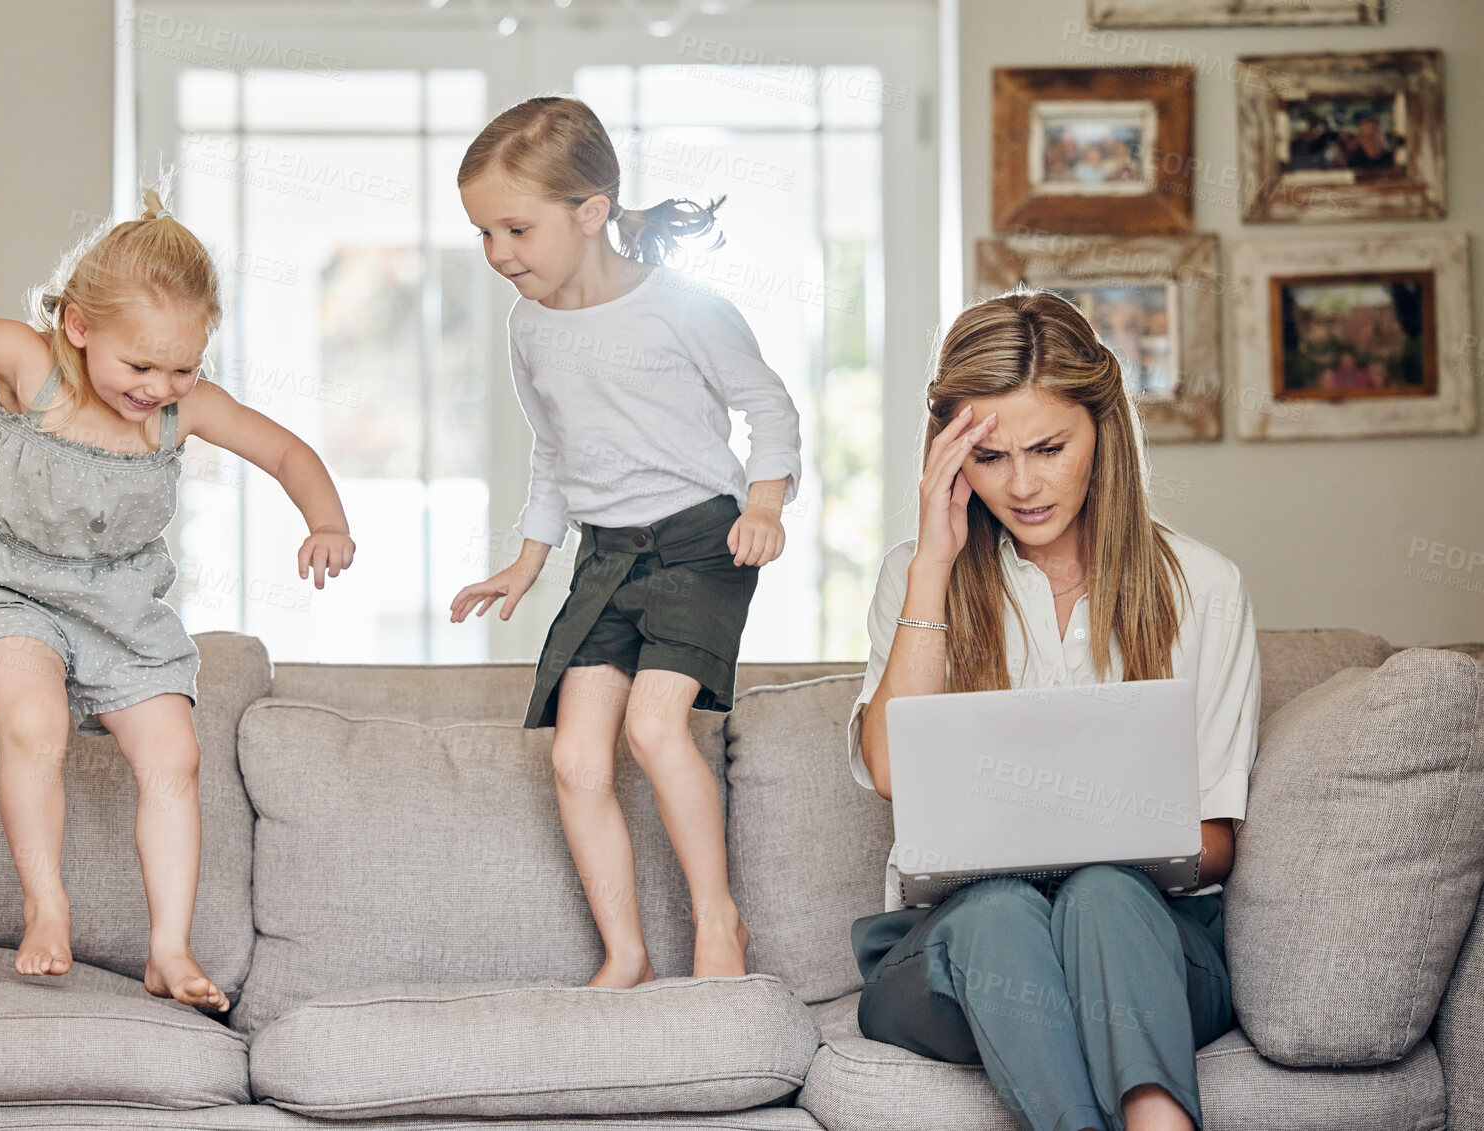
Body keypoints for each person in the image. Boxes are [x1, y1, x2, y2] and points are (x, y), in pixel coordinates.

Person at [0, 190, 355, 1010]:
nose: (159, 386)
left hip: (120, 609)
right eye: (140, 366)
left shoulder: (184, 410)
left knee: (175, 754)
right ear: (77, 327)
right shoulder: (30, 367)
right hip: (10, 588)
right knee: (37, 724)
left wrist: (327, 519)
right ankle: (45, 905)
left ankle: (168, 947)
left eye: (183, 367)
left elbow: (285, 450)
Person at [846, 289, 1260, 1131]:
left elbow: (1216, 840)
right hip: (961, 954)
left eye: (1050, 447)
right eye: (990, 458)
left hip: (1142, 947)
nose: (1024, 485)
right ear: (949, 458)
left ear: (1102, 433)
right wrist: (933, 561)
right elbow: (891, 772)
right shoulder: (916, 575)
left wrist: (1092, 840)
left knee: (1101, 893)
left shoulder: (1206, 587)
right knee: (1001, 909)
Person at [447, 96, 803, 988]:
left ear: (591, 212)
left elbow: (769, 408)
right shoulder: (529, 327)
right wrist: (528, 561)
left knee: (652, 726)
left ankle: (720, 924)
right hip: (605, 554)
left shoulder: (684, 309)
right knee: (573, 754)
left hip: (699, 543)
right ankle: (627, 953)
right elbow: (555, 451)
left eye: (516, 229)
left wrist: (765, 507)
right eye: (484, 234)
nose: (499, 254)